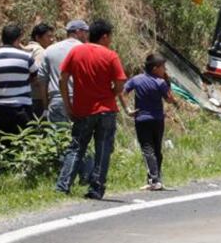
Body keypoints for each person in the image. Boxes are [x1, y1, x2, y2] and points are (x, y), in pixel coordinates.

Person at [55, 20, 127, 200]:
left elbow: (63, 79)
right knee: (103, 149)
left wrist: (68, 105)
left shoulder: (76, 51)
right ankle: (96, 188)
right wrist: (111, 94)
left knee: (76, 148)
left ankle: (63, 186)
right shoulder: (110, 55)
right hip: (106, 110)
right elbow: (120, 83)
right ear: (104, 37)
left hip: (82, 110)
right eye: (110, 37)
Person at [123, 54, 179, 191]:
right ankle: (156, 179)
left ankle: (154, 180)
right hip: (158, 120)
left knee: (147, 149)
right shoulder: (160, 83)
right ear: (155, 68)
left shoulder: (136, 79)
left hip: (142, 119)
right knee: (156, 149)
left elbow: (123, 92)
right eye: (163, 67)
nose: (165, 70)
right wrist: (167, 83)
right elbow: (170, 100)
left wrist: (127, 109)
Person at [0, 24, 36, 134]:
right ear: (18, 38)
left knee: (2, 141)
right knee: (25, 140)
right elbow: (35, 76)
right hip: (22, 107)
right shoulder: (26, 57)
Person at [40, 20, 89, 125]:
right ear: (78, 32)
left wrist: (45, 107)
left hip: (57, 99)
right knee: (80, 134)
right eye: (86, 32)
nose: (87, 35)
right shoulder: (86, 50)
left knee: (57, 134)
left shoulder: (49, 50)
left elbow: (43, 81)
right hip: (80, 100)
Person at [24, 22, 55, 119]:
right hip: (37, 98)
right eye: (48, 36)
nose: (52, 39)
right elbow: (38, 77)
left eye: (52, 36)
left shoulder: (25, 49)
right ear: (37, 37)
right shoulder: (39, 51)